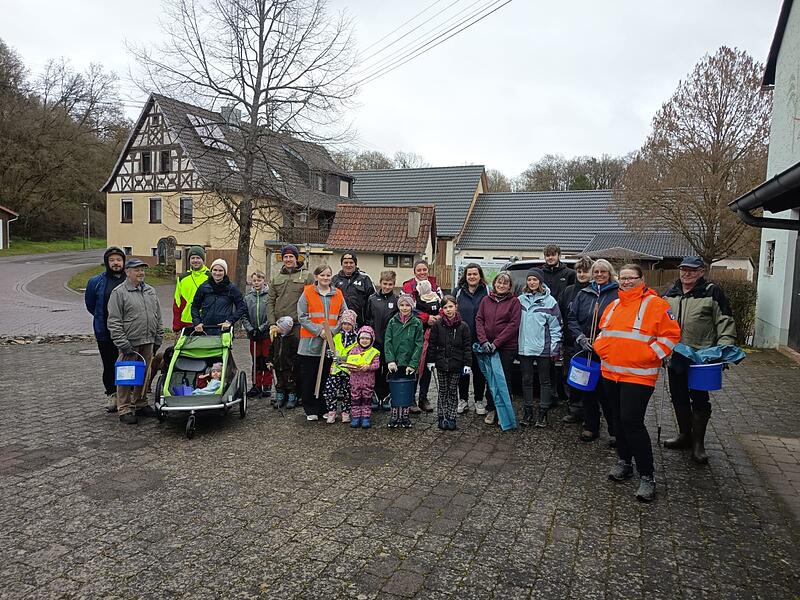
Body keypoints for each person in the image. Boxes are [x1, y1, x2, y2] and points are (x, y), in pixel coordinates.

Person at [593, 264, 681, 502]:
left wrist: (649, 354)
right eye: (622, 278)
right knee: (617, 420)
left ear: (642, 279)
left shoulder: (657, 305)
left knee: (632, 422)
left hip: (639, 376)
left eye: (631, 278)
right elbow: (602, 334)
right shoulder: (613, 305)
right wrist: (601, 349)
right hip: (610, 373)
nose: (626, 281)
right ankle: (624, 461)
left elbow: (671, 336)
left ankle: (647, 475)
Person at [663, 256, 736, 464]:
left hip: (702, 356)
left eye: (692, 270)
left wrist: (725, 348)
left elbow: (725, 321)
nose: (686, 273)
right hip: (676, 355)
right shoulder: (671, 292)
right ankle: (685, 435)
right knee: (678, 396)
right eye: (683, 270)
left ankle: (698, 444)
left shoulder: (711, 292)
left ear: (701, 271)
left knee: (699, 398)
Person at [107, 258, 164, 425]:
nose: (141, 273)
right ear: (128, 272)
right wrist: (122, 342)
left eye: (142, 270)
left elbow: (157, 315)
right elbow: (114, 320)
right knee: (126, 376)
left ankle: (140, 403)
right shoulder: (119, 293)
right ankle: (124, 408)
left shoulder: (150, 291)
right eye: (137, 270)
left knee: (144, 374)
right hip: (130, 342)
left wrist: (158, 336)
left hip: (148, 339)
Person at [567, 259, 619, 443]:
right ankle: (590, 426)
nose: (599, 275)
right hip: (585, 349)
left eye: (603, 272)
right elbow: (572, 318)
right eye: (596, 272)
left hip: (607, 352)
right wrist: (580, 337)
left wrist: (604, 341)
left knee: (607, 393)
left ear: (609, 273)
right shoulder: (584, 293)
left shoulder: (617, 294)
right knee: (587, 390)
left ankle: (614, 431)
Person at [297, 264, 347, 421]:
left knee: (327, 377)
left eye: (328, 275)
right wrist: (319, 331)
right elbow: (302, 316)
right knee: (309, 377)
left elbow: (344, 314)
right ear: (317, 276)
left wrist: (332, 331)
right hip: (310, 343)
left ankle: (325, 408)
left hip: (330, 342)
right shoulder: (307, 293)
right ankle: (310, 408)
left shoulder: (338, 294)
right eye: (322, 275)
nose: (326, 278)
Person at [518, 268, 563, 427]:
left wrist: (555, 347)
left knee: (545, 381)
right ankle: (528, 411)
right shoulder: (520, 300)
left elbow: (556, 326)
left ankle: (543, 413)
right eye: (529, 279)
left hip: (543, 348)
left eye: (535, 280)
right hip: (524, 348)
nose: (532, 282)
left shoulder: (550, 301)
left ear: (540, 282)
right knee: (527, 380)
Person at [85, 246, 127, 412]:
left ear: (123, 262)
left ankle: (127, 395)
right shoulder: (96, 282)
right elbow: (91, 306)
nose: (116, 263)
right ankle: (112, 395)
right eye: (112, 260)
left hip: (127, 332)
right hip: (105, 332)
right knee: (109, 365)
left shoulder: (129, 279)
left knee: (127, 364)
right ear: (106, 262)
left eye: (118, 260)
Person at [475, 272, 521, 425]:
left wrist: (497, 343)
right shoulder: (485, 300)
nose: (501, 286)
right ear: (494, 284)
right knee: (490, 379)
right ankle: (491, 409)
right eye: (499, 283)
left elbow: (513, 325)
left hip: (506, 347)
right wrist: (483, 341)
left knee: (503, 379)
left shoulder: (514, 302)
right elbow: (479, 319)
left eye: (505, 283)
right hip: (487, 346)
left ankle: (504, 412)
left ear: (509, 286)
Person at [402, 260, 443, 413]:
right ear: (414, 272)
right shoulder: (408, 286)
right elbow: (406, 308)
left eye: (424, 269)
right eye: (419, 270)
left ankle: (423, 398)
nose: (422, 272)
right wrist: (426, 318)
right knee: (413, 363)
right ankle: (411, 398)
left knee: (427, 365)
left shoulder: (435, 286)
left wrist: (438, 317)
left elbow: (445, 304)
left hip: (432, 333)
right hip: (414, 331)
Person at [558, 256, 594, 424]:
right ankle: (574, 409)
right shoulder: (568, 291)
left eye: (585, 271)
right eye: (579, 271)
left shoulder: (596, 292)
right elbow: (561, 315)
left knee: (589, 379)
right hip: (569, 341)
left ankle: (590, 413)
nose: (581, 274)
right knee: (570, 376)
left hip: (590, 344)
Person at [427, 295, 472, 431]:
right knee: (443, 390)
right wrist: (431, 360)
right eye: (445, 307)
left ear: (456, 307)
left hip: (456, 364)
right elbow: (432, 344)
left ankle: (451, 416)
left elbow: (467, 346)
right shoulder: (437, 325)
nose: (448, 310)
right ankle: (442, 416)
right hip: (441, 364)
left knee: (452, 391)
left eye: (451, 306)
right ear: (442, 309)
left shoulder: (463, 326)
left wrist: (467, 364)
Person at [384, 293, 424, 428]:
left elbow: (419, 344)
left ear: (412, 307)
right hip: (395, 363)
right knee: (395, 389)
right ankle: (394, 415)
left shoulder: (416, 323)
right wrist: (390, 360)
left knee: (407, 389)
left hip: (408, 363)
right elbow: (388, 341)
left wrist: (413, 364)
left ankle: (405, 415)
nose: (404, 308)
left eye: (407, 305)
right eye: (402, 305)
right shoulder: (392, 322)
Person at [455, 264, 490, 416]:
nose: (472, 277)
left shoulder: (487, 291)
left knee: (479, 371)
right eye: (469, 274)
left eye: (475, 274)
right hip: (462, 340)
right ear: (465, 276)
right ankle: (462, 399)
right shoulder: (458, 292)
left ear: (480, 275)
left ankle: (478, 400)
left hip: (480, 338)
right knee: (463, 371)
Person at [365, 270, 399, 409]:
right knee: (374, 370)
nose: (387, 287)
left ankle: (386, 396)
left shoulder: (396, 301)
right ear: (380, 283)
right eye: (385, 284)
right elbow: (367, 319)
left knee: (388, 370)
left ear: (394, 284)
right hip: (375, 341)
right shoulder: (372, 299)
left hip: (389, 342)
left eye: (390, 284)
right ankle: (375, 396)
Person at [267, 244, 314, 338]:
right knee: (280, 352)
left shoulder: (307, 276)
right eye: (285, 257)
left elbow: (312, 300)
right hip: (279, 323)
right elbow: (270, 302)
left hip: (299, 324)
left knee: (297, 352)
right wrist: (272, 323)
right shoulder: (276, 278)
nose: (288, 259)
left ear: (296, 258)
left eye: (291, 256)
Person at [323, 309, 358, 424]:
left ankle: (346, 412)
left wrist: (343, 359)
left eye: (349, 324)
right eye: (344, 324)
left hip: (349, 371)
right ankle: (331, 412)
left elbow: (357, 356)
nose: (346, 326)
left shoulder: (357, 339)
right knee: (329, 390)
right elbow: (329, 351)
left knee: (347, 392)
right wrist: (331, 355)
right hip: (335, 370)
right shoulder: (336, 337)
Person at [191, 259, 245, 333]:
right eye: (215, 270)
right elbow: (195, 306)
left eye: (220, 270)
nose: (217, 273)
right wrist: (197, 322)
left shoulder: (232, 288)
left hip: (224, 330)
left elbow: (241, 307)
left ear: (225, 272)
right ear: (211, 271)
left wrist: (230, 321)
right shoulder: (204, 287)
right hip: (205, 329)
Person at [242, 271, 272, 398]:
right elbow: (244, 315)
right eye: (254, 280)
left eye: (259, 280)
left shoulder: (269, 297)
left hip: (265, 333)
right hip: (253, 334)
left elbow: (271, 314)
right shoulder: (248, 298)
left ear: (264, 281)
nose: (257, 283)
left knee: (267, 359)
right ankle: (256, 384)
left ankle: (267, 385)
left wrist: (261, 328)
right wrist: (250, 329)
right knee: (256, 359)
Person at [345, 326, 381, 429]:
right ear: (358, 339)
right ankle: (356, 417)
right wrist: (352, 367)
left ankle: (366, 417)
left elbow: (377, 365)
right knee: (355, 399)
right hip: (355, 381)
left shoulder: (374, 352)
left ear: (371, 339)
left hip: (368, 382)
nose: (364, 341)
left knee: (367, 400)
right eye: (362, 338)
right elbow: (349, 364)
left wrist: (368, 367)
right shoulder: (353, 351)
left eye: (367, 339)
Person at [332, 251, 376, 327]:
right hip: (339, 324)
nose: (348, 265)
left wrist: (369, 323)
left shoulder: (365, 279)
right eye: (345, 262)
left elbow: (373, 302)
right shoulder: (335, 280)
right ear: (341, 264)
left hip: (360, 324)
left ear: (355, 264)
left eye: (351, 262)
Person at [173, 245, 210, 332]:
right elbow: (177, 301)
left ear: (203, 260)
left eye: (198, 258)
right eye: (193, 258)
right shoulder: (182, 278)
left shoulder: (210, 277)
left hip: (205, 321)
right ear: (189, 260)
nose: (195, 260)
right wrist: (176, 324)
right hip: (186, 321)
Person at [267, 316, 299, 409]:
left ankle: (292, 398)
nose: (277, 328)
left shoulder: (293, 339)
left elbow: (295, 354)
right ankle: (280, 397)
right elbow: (271, 350)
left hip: (288, 366)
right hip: (278, 365)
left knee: (290, 383)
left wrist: (293, 364)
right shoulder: (276, 337)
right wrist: (269, 360)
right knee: (280, 382)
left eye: (279, 327)